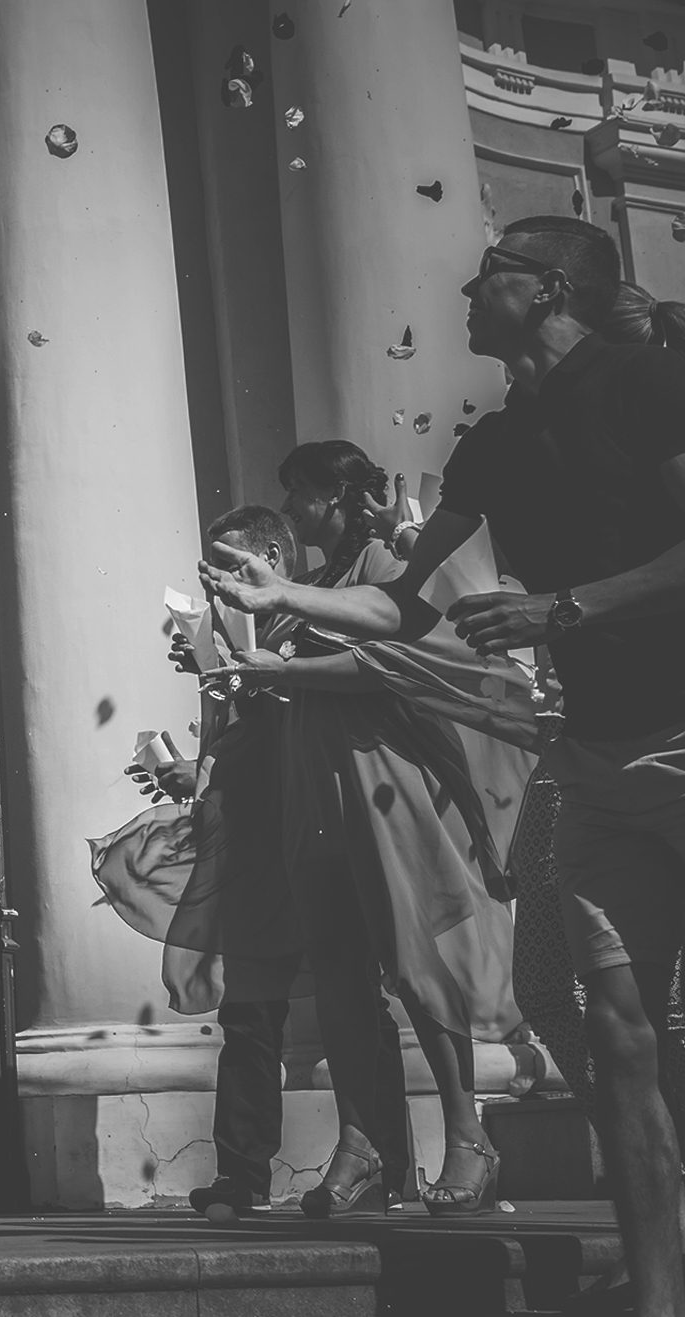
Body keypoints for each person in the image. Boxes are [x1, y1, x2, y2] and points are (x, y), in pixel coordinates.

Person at [204, 216, 685, 1314]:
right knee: (616, 1036)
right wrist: (282, 595)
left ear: (549, 287)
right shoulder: (490, 445)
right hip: (596, 760)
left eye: (489, 275)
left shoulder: (649, 383)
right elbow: (401, 605)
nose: (467, 291)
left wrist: (565, 608)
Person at [205, 442, 526, 1218]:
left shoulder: (385, 564)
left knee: (414, 965)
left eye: (302, 493)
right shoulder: (311, 584)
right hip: (312, 786)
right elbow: (289, 679)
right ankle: (361, 1143)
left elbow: (393, 659)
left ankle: (468, 1137)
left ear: (339, 498)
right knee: (340, 972)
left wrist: (285, 670)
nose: (292, 508)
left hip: (377, 778)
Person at [99, 505, 409, 1217]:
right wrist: (198, 763)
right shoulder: (224, 631)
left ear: (272, 558)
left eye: (230, 565)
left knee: (354, 989)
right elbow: (230, 731)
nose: (218, 583)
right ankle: (241, 1173)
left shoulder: (312, 616)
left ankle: (388, 1162)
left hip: (313, 817)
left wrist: (258, 676)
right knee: (247, 1005)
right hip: (250, 829)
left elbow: (337, 702)